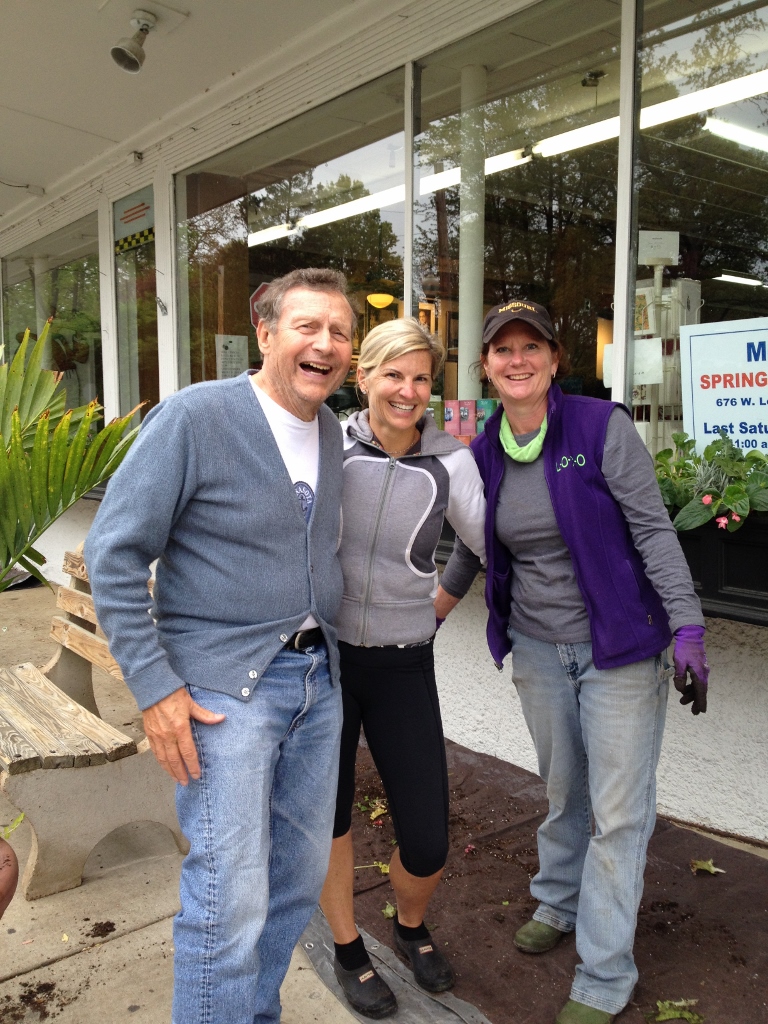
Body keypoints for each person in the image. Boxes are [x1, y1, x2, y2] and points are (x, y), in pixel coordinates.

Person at [84, 268, 356, 1024]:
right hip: (221, 695)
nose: (325, 345)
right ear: (265, 334)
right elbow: (113, 551)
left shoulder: (331, 429)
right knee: (228, 897)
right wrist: (157, 689)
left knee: (294, 885)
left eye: (339, 333)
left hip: (315, 684)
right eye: (307, 327)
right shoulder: (198, 416)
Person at [435, 300, 710, 1024]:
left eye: (533, 347)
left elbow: (653, 532)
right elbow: (471, 545)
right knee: (565, 792)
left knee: (618, 814)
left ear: (557, 359)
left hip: (618, 648)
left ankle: (604, 972)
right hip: (537, 648)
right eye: (503, 350)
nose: (517, 360)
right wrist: (424, 615)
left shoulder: (600, 428)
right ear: (486, 367)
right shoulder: (483, 451)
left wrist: (688, 628)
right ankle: (556, 903)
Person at [320, 318, 486, 1019]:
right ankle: (349, 947)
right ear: (364, 376)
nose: (408, 390)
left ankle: (409, 925)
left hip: (400, 664)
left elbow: (482, 545)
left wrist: (438, 609)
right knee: (328, 818)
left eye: (421, 378)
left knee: (425, 836)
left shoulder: (452, 462)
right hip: (321, 662)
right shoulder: (326, 442)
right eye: (394, 374)